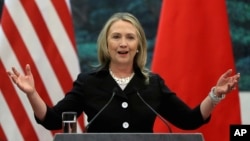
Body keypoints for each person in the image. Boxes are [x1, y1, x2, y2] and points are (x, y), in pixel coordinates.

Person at [7, 12, 240, 133]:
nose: (123, 43)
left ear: (138, 45)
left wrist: (215, 95)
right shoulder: (89, 82)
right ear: (106, 44)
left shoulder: (153, 84)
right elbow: (52, 120)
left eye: (130, 37)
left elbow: (189, 121)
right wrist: (31, 93)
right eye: (116, 37)